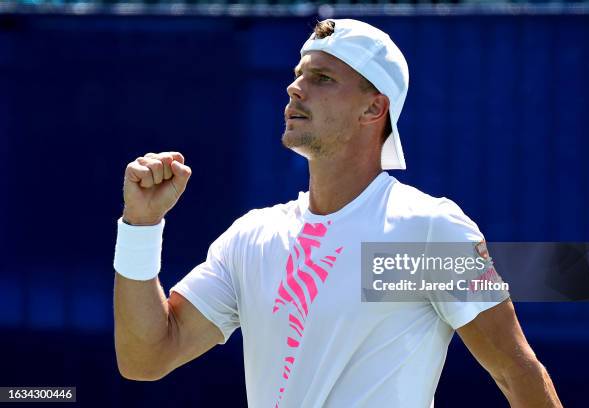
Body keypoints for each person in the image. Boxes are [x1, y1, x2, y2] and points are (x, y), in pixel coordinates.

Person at [113, 19, 562, 407]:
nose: (295, 87)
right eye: (298, 74)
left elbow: (516, 373)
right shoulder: (252, 237)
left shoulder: (428, 231)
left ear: (373, 107)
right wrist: (141, 226)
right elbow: (146, 357)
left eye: (322, 78)